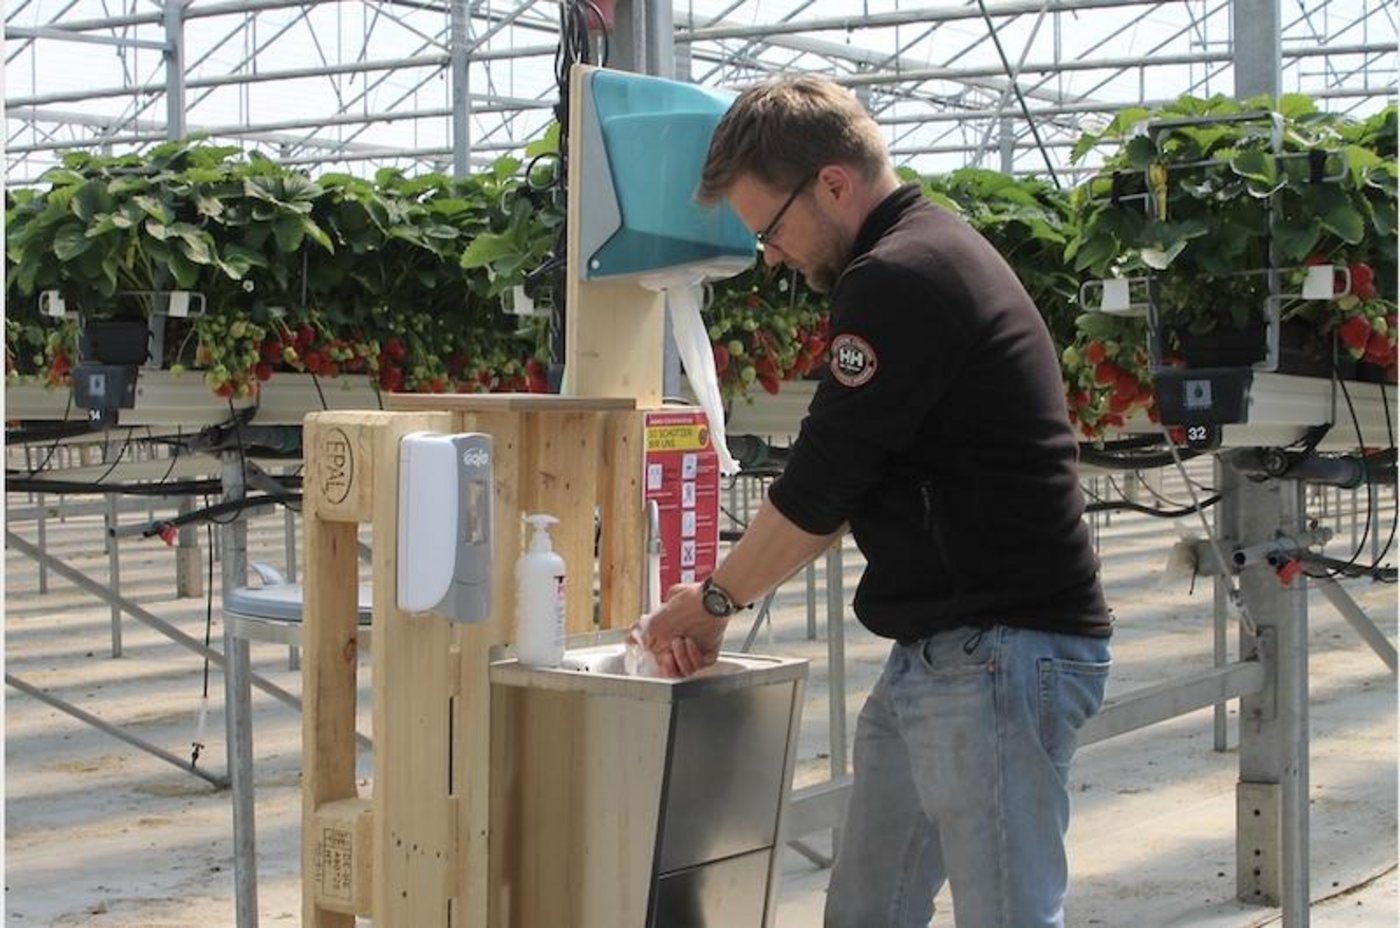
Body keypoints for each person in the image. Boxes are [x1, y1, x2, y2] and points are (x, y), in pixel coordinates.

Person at [636, 74, 1113, 928]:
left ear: (832, 183)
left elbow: (823, 483)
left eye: (770, 230)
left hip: (996, 651)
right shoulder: (928, 254)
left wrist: (713, 602)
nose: (770, 256)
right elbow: (847, 486)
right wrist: (720, 598)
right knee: (866, 910)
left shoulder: (899, 277)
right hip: (944, 653)